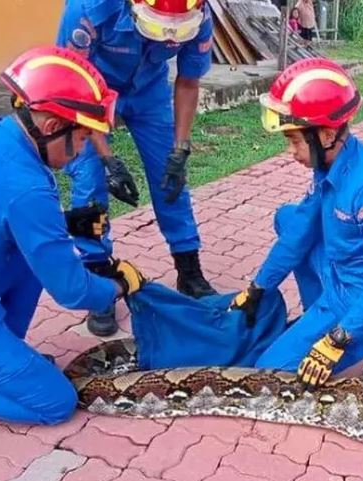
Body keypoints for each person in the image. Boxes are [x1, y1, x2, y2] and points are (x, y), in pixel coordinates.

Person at [229, 58, 363, 388]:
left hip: (360, 295)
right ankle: (319, 316)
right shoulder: (328, 166)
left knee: (268, 373)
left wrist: (337, 339)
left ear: (327, 134)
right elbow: (300, 230)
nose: (291, 151)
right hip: (340, 273)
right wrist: (258, 288)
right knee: (288, 219)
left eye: (295, 141)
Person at [0, 46, 146, 426]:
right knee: (56, 403)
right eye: (85, 139)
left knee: (29, 260)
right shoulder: (28, 190)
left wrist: (68, 222)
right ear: (54, 127)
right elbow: (72, 291)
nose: (82, 151)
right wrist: (119, 285)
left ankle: (5, 356)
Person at [55, 0, 218, 337]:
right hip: (90, 90)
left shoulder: (200, 13)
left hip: (148, 92)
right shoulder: (88, 10)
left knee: (170, 178)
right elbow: (73, 81)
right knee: (90, 182)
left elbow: (188, 82)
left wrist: (181, 149)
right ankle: (98, 277)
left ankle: (189, 269)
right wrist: (107, 158)